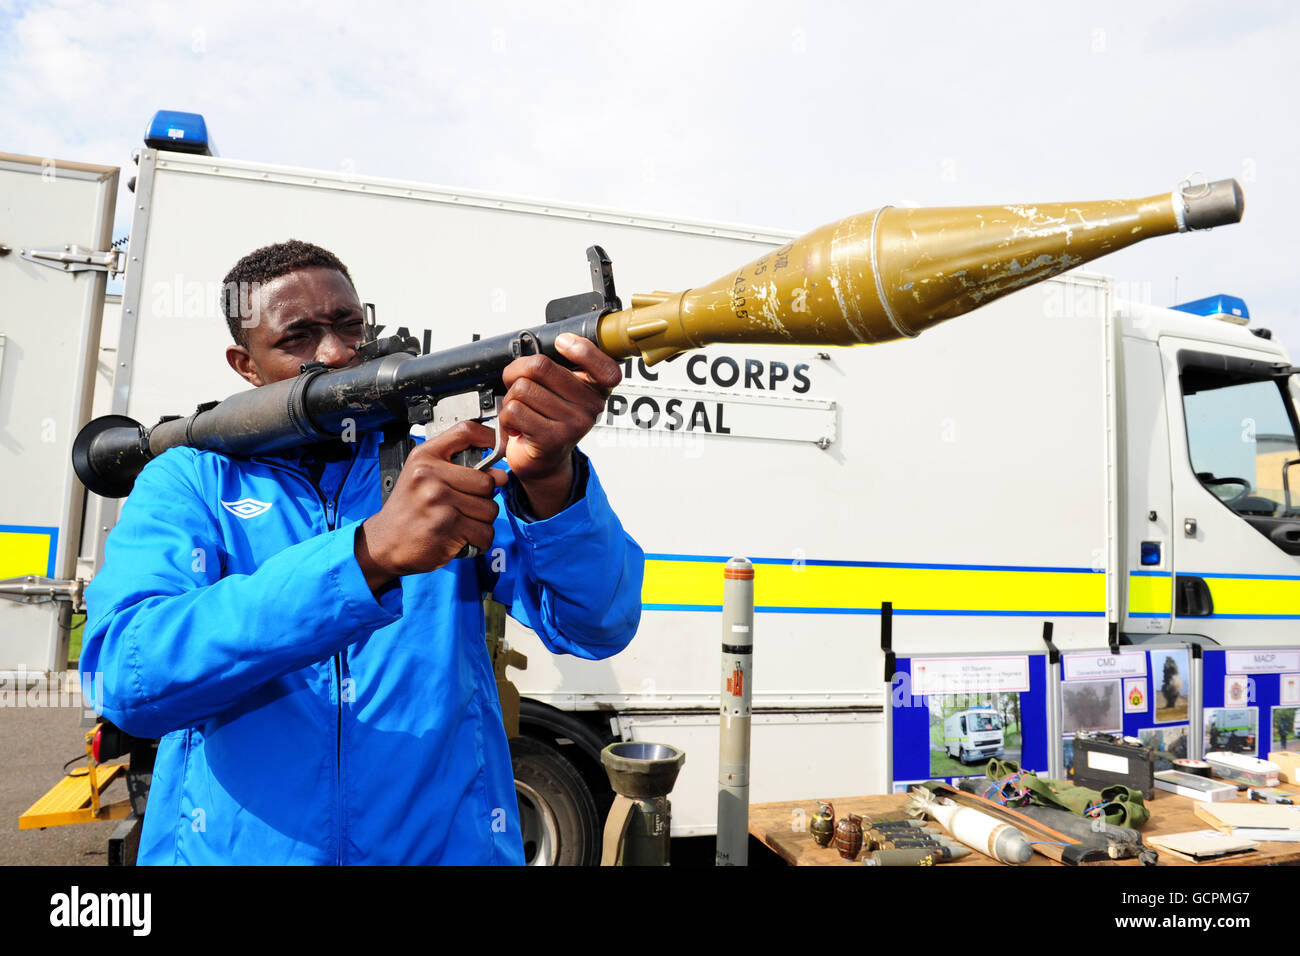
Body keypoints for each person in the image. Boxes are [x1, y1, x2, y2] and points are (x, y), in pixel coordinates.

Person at [81, 240, 644, 864]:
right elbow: (127, 678)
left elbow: (596, 625)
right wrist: (366, 558)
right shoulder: (192, 479)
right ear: (244, 364)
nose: (335, 351)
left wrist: (551, 480)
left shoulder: (442, 464)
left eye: (350, 325)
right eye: (298, 336)